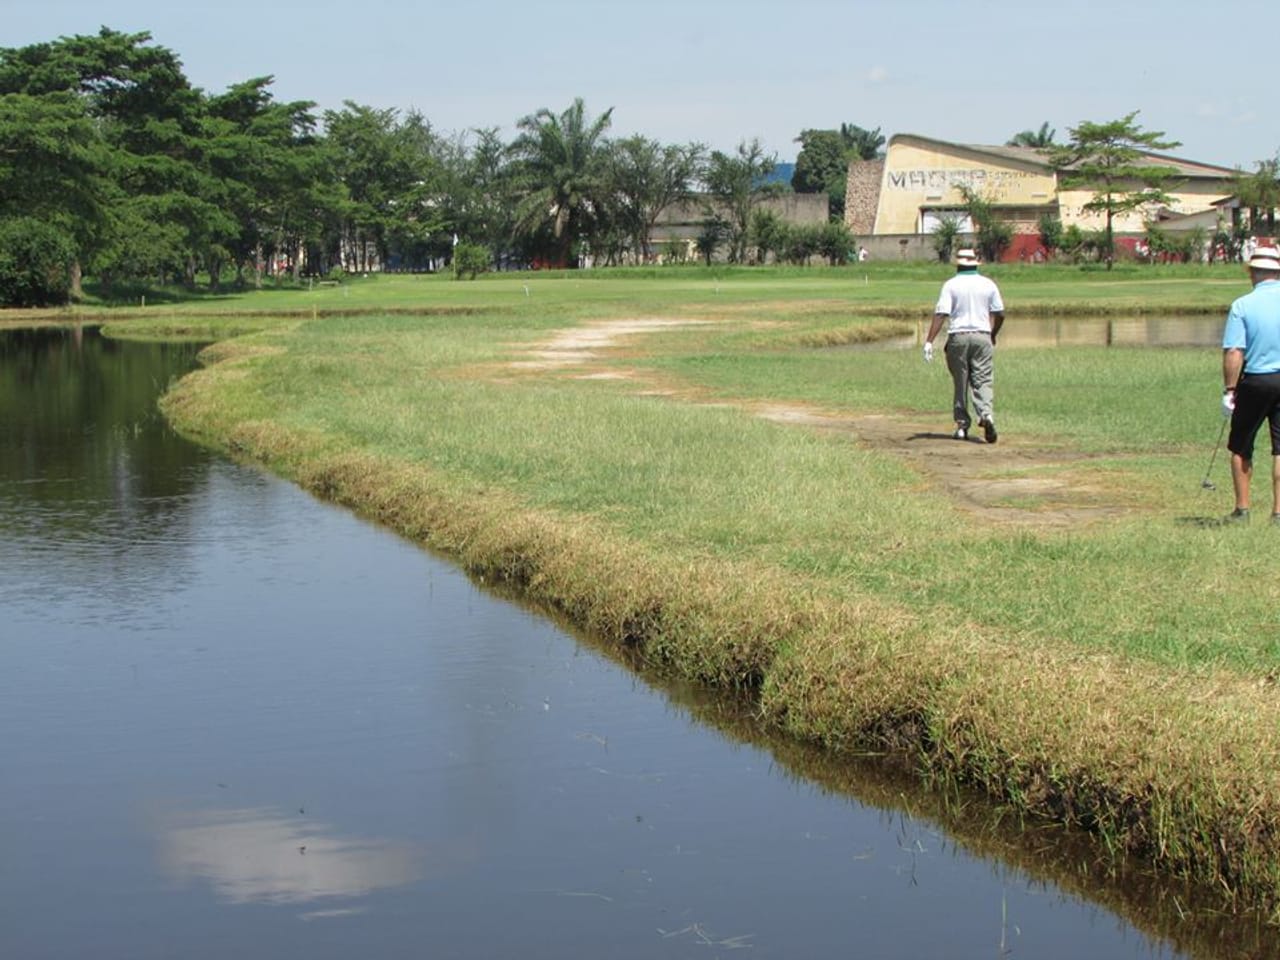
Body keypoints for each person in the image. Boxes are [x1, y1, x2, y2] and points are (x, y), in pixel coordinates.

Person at [1220, 243, 1280, 524]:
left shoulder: (1242, 305)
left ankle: (1242, 509)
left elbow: (1235, 351)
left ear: (1253, 273)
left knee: (1242, 444)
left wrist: (1230, 390)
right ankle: (1279, 513)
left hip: (1256, 380)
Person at [923, 248, 1005, 442]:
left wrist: (929, 341)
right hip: (982, 335)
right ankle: (986, 414)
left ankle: (962, 425)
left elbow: (942, 313)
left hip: (958, 336)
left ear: (958, 265)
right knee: (983, 379)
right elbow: (1000, 313)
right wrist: (992, 334)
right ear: (976, 264)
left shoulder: (951, 285)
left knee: (961, 381)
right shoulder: (988, 284)